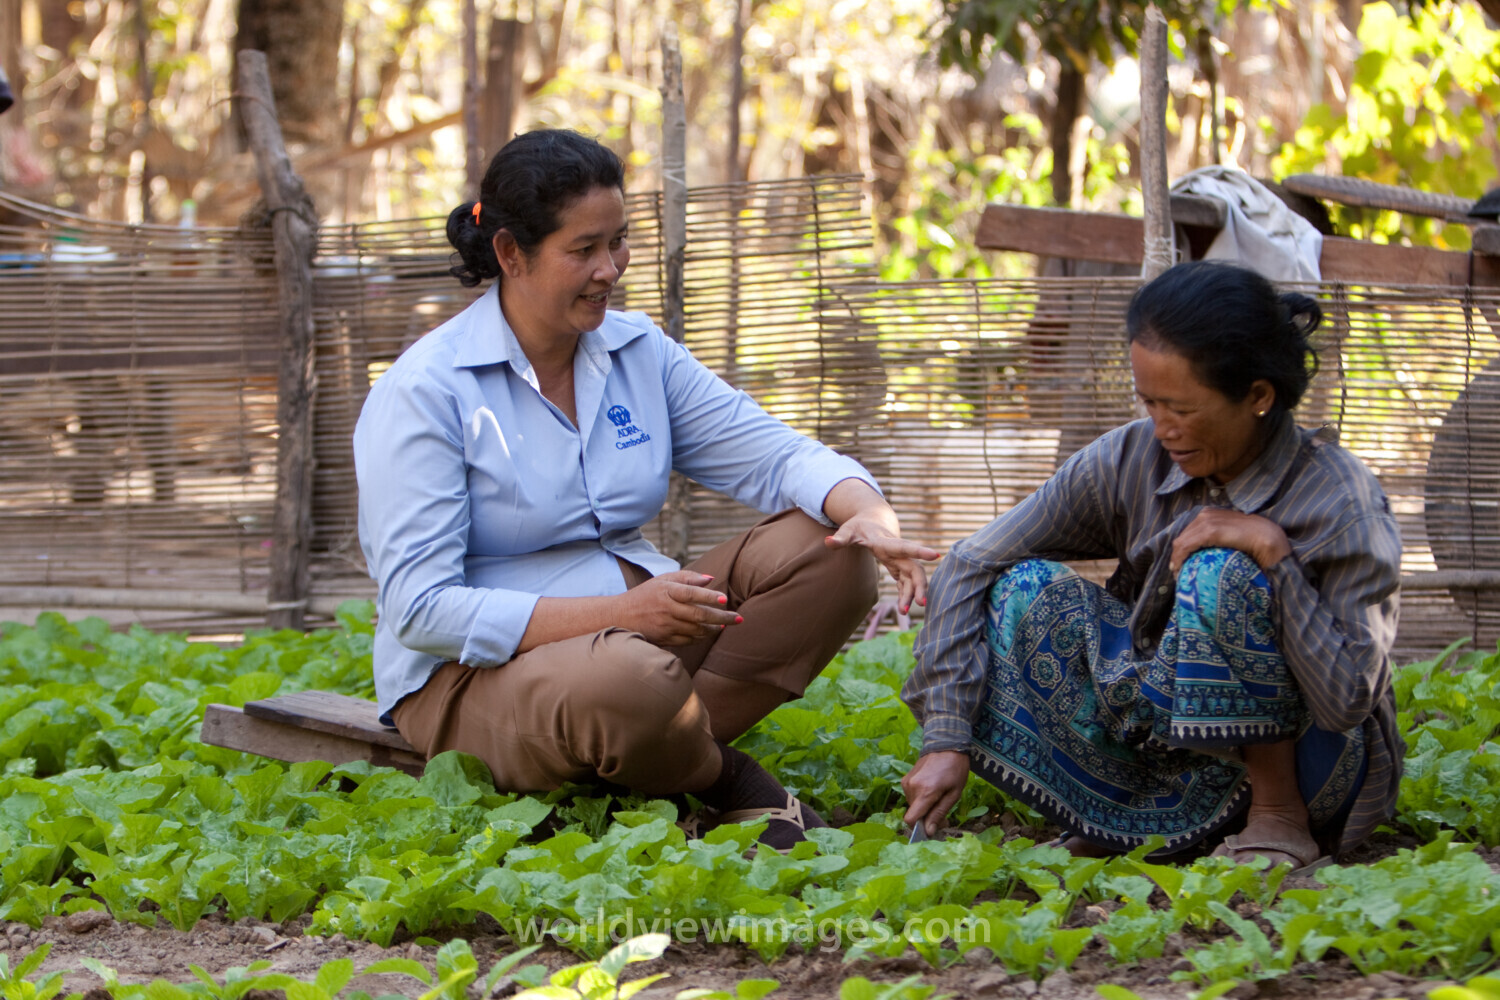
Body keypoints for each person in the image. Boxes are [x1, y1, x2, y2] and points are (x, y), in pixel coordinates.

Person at [354, 128, 936, 849]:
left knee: (831, 555)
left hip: (641, 641)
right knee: (631, 680)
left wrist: (869, 515)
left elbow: (777, 455)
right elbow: (420, 608)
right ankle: (722, 779)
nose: (610, 269)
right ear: (510, 253)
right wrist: (622, 614)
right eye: (583, 249)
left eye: (618, 241)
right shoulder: (426, 391)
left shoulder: (636, 351)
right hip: (469, 678)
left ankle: (657, 751)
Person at [900, 260, 1402, 870]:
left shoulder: (1342, 501)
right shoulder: (1129, 457)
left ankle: (1277, 815)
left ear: (1258, 397)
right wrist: (946, 737)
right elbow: (970, 561)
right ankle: (1128, 822)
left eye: (1182, 409)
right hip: (1167, 741)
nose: (1162, 428)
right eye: (1150, 402)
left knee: (1222, 571)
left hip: (1317, 762)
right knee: (1024, 587)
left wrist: (1273, 555)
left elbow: (1348, 701)